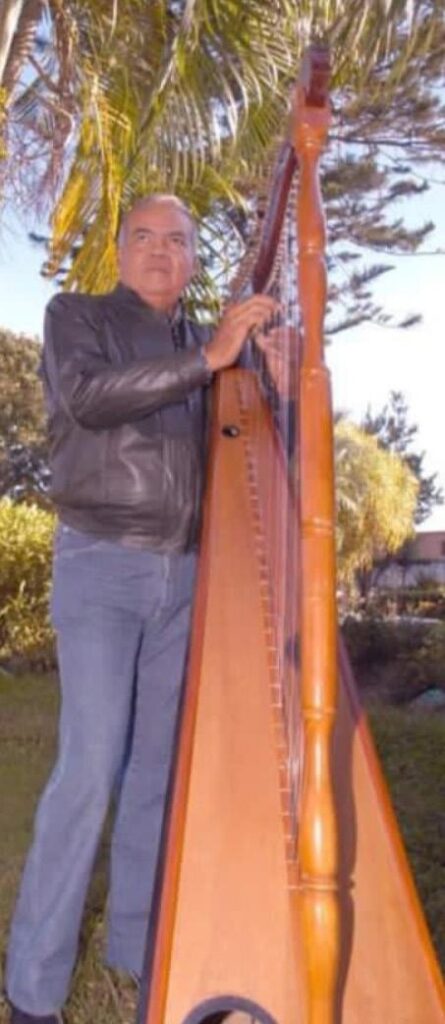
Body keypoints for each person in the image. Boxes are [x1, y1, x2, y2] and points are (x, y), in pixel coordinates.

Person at [5, 194, 278, 1024]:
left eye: (178, 240)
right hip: (102, 562)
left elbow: (261, 446)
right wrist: (210, 358)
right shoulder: (77, 317)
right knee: (90, 771)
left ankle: (134, 953)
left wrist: (273, 368)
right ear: (121, 251)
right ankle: (31, 991)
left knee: (158, 772)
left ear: (193, 258)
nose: (161, 251)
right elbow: (89, 399)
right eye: (145, 237)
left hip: (188, 576)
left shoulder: (212, 345)